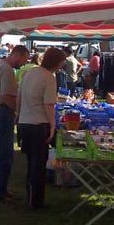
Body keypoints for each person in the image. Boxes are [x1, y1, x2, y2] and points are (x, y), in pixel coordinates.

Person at [17, 47, 67, 210]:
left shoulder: (29, 73)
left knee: (32, 162)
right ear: (57, 62)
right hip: (38, 123)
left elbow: (19, 97)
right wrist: (53, 125)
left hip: (25, 122)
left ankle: (31, 198)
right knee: (38, 165)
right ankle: (35, 202)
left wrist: (18, 117)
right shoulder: (49, 78)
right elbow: (49, 105)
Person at [0, 45, 28, 202]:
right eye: (24, 59)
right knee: (4, 154)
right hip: (2, 112)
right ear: (17, 55)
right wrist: (17, 111)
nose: (24, 63)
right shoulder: (7, 70)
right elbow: (6, 96)